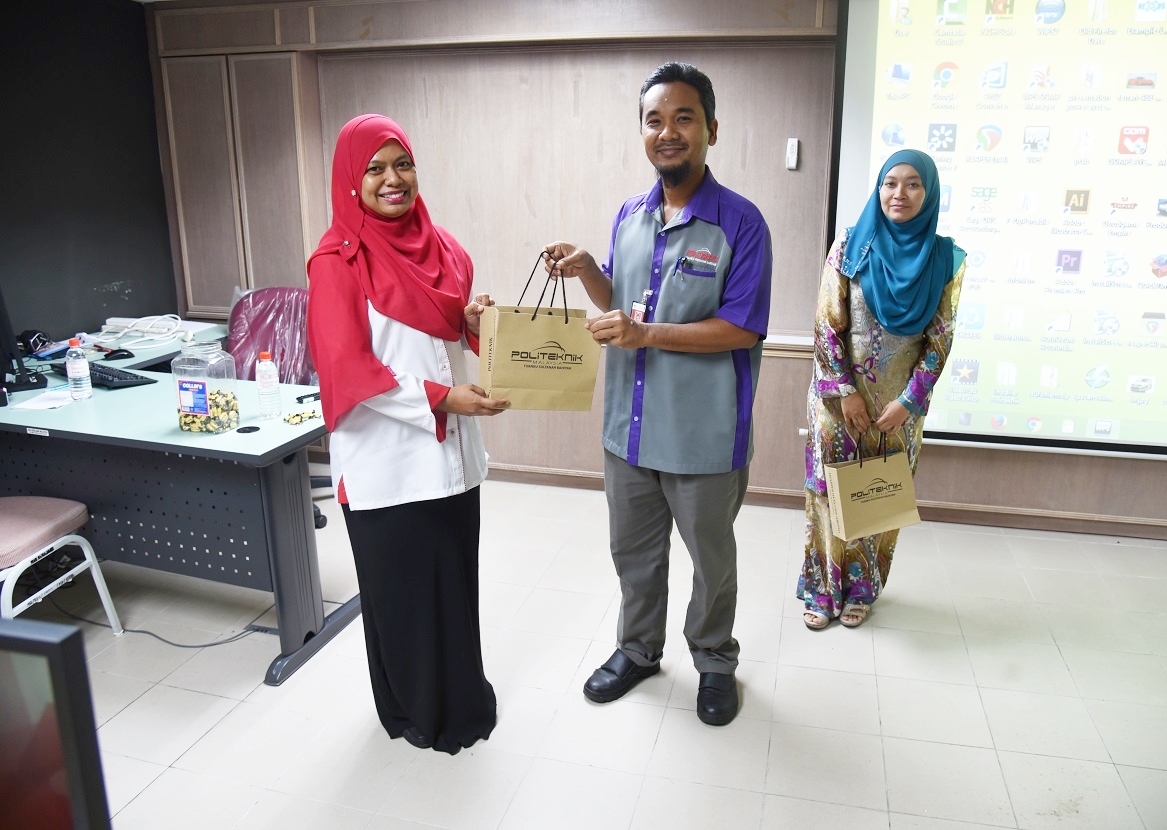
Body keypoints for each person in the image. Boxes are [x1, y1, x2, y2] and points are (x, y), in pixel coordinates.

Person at [543, 62, 772, 726]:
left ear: (711, 130)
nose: (667, 132)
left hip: (703, 434)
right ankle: (638, 651)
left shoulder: (741, 223)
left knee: (710, 561)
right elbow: (621, 300)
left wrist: (644, 333)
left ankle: (715, 661)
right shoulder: (630, 214)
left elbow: (740, 327)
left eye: (683, 118)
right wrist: (589, 271)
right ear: (642, 132)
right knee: (634, 555)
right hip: (629, 429)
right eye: (654, 120)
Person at [306, 113, 509, 754]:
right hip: (386, 463)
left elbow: (445, 336)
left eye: (403, 164)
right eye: (374, 169)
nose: (392, 179)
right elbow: (349, 367)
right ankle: (415, 710)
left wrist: (474, 322)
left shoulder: (443, 249)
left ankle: (462, 699)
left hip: (451, 454)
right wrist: (444, 398)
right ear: (351, 179)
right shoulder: (336, 262)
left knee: (453, 584)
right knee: (403, 596)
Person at [798, 149, 965, 631]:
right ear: (879, 189)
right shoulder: (850, 245)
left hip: (898, 409)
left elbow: (941, 338)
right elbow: (827, 324)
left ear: (929, 193)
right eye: (890, 183)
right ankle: (823, 590)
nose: (900, 194)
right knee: (829, 494)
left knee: (880, 496)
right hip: (838, 403)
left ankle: (861, 589)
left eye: (913, 184)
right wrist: (845, 392)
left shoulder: (946, 259)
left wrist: (909, 401)